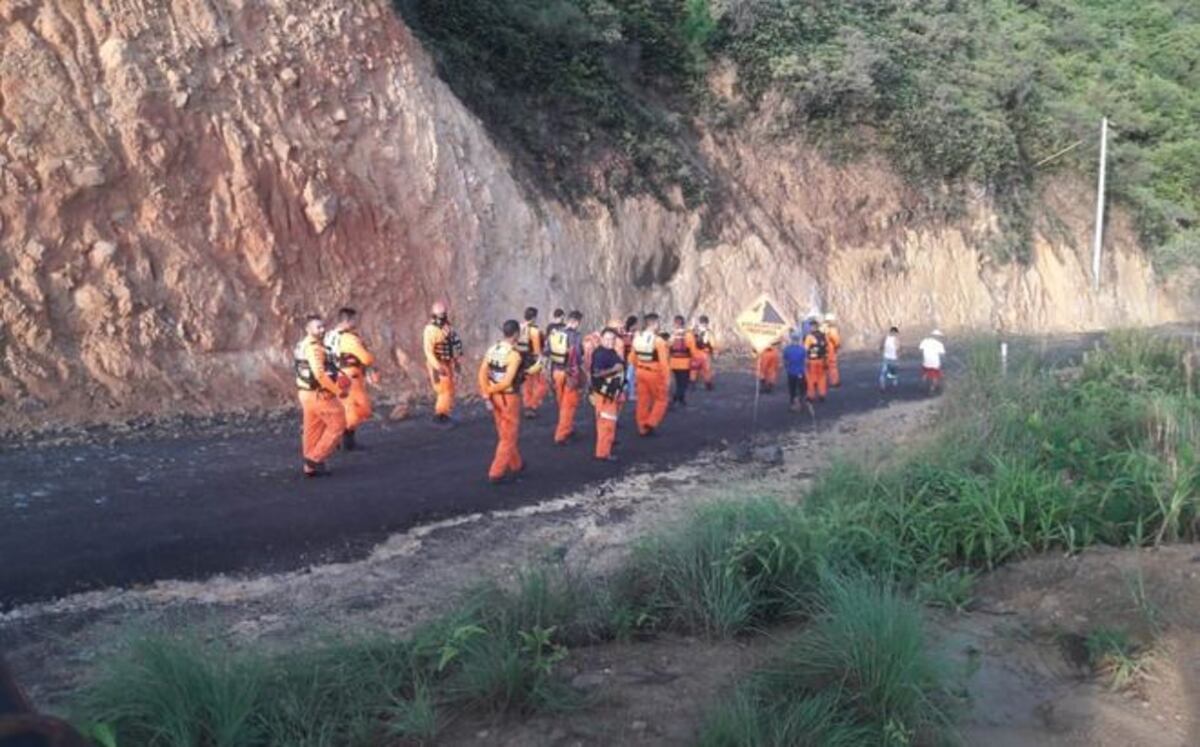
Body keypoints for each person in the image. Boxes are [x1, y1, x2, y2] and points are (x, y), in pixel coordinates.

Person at [294, 314, 347, 477]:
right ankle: (315, 459)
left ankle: (309, 464)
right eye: (318, 327)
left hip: (306, 394)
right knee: (338, 423)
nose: (322, 329)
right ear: (308, 329)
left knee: (313, 428)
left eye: (323, 326)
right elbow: (320, 375)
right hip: (319, 395)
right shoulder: (314, 347)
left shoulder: (302, 345)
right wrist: (338, 391)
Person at [479, 320, 525, 484]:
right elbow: (507, 382)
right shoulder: (513, 355)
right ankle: (496, 472)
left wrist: (486, 392)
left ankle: (516, 464)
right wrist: (490, 391)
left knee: (503, 431)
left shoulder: (492, 349)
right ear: (515, 335)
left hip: (495, 397)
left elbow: (482, 373)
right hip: (507, 397)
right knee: (508, 436)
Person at [324, 307, 377, 450]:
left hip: (337, 376)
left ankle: (345, 440)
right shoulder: (349, 338)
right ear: (347, 321)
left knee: (348, 409)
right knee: (361, 408)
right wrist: (371, 363)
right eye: (355, 319)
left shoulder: (329, 336)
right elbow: (365, 358)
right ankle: (341, 437)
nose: (357, 322)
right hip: (350, 377)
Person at [548, 310, 586, 445]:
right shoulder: (575, 336)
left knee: (561, 403)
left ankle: (567, 427)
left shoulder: (555, 333)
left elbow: (547, 352)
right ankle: (561, 435)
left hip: (556, 372)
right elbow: (578, 354)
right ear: (576, 322)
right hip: (570, 374)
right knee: (568, 405)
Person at [423, 301, 463, 425]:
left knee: (449, 388)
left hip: (446, 362)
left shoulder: (447, 328)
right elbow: (428, 351)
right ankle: (440, 415)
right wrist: (437, 366)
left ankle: (444, 413)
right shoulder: (430, 330)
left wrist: (456, 362)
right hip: (438, 364)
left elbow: (453, 346)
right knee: (443, 389)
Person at [590, 327, 626, 462]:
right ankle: (603, 453)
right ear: (602, 339)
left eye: (612, 339)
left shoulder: (610, 352)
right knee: (607, 423)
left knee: (605, 423)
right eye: (607, 339)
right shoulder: (600, 354)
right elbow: (596, 373)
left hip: (610, 393)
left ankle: (603, 450)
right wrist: (614, 369)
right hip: (605, 395)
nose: (610, 341)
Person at [632, 313, 670, 436]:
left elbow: (632, 358)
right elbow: (664, 362)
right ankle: (651, 422)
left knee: (643, 401)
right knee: (661, 399)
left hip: (640, 371)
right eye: (658, 323)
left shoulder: (637, 338)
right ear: (653, 324)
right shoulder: (658, 341)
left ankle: (642, 427)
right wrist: (667, 378)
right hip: (654, 372)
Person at [517, 307, 547, 418]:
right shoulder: (534, 330)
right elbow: (537, 349)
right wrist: (541, 361)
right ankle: (532, 405)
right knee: (542, 385)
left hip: (520, 361)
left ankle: (527, 406)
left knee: (526, 386)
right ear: (534, 317)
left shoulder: (519, 328)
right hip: (531, 361)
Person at [668, 315, 699, 407]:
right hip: (684, 363)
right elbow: (693, 350)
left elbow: (667, 347)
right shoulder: (688, 335)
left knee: (677, 382)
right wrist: (695, 360)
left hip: (673, 363)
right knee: (683, 383)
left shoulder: (672, 335)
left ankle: (681, 399)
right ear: (683, 323)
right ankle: (676, 398)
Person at [804, 322, 830, 402]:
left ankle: (811, 396)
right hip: (821, 359)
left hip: (811, 360)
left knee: (811, 379)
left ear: (812, 327)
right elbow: (827, 347)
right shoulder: (823, 335)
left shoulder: (809, 337)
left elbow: (805, 349)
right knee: (822, 378)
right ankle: (822, 394)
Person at [783, 332, 807, 410]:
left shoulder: (787, 349)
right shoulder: (802, 349)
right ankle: (801, 403)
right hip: (800, 372)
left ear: (791, 339)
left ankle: (793, 404)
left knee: (792, 389)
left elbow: (785, 361)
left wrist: (787, 367)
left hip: (791, 372)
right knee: (801, 389)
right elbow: (805, 360)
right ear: (799, 340)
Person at [691, 315, 717, 390]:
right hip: (702, 353)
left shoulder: (697, 331)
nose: (704, 324)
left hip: (700, 353)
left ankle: (698, 384)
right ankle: (705, 384)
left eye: (704, 322)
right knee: (702, 370)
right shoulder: (706, 332)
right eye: (704, 323)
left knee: (698, 369)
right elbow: (713, 344)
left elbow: (713, 343)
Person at [918, 329, 947, 394]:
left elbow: (920, 350)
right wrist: (943, 363)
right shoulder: (939, 344)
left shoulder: (925, 341)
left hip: (926, 362)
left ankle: (922, 384)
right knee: (935, 376)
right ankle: (932, 389)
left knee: (925, 373)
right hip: (935, 363)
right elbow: (942, 355)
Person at [622, 315, 639, 402]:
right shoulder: (635, 333)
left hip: (624, 356)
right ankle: (630, 394)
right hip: (631, 357)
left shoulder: (623, 332)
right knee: (630, 377)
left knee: (627, 376)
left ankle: (626, 393)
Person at [823, 313, 842, 388]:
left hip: (822, 350)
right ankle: (834, 382)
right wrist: (837, 346)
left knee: (824, 367)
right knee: (832, 366)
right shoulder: (832, 330)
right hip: (831, 349)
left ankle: (823, 382)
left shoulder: (822, 328)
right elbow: (836, 340)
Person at [880, 326, 901, 392]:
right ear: (894, 332)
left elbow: (881, 347)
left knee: (883, 373)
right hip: (893, 358)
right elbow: (898, 349)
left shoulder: (885, 338)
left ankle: (882, 386)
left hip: (886, 357)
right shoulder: (896, 339)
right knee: (893, 374)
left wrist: (883, 353)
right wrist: (898, 358)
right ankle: (894, 386)